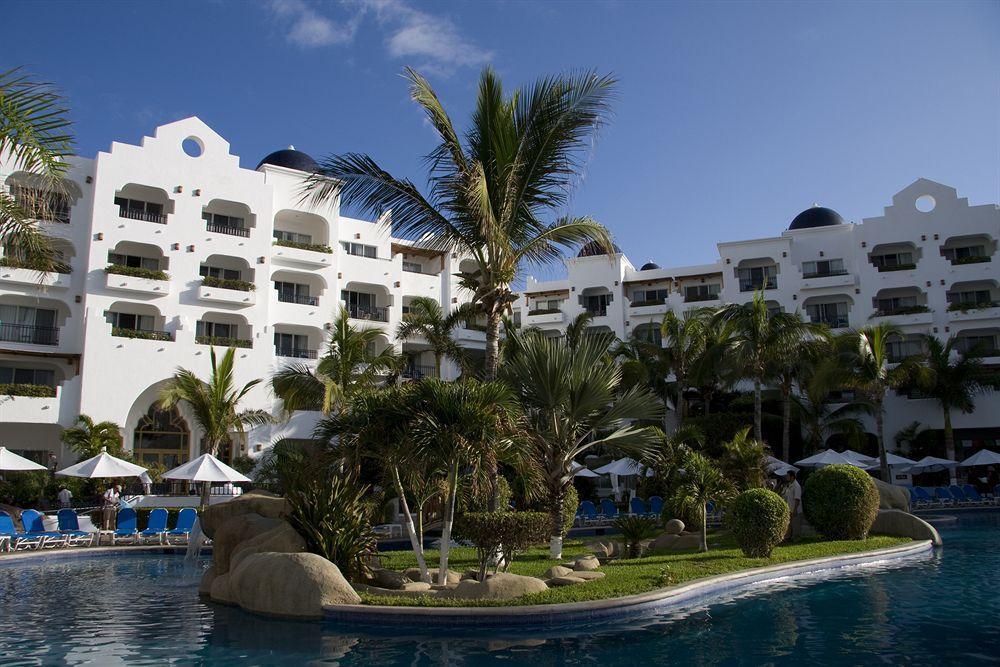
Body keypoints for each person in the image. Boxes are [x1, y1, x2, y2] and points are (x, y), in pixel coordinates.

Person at [782, 470, 803, 540]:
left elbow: (797, 499)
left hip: (795, 510)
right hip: (790, 509)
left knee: (796, 525)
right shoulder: (790, 485)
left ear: (792, 477)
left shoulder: (796, 486)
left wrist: (795, 509)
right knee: (789, 525)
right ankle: (788, 538)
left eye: (788, 476)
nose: (786, 477)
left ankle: (796, 539)